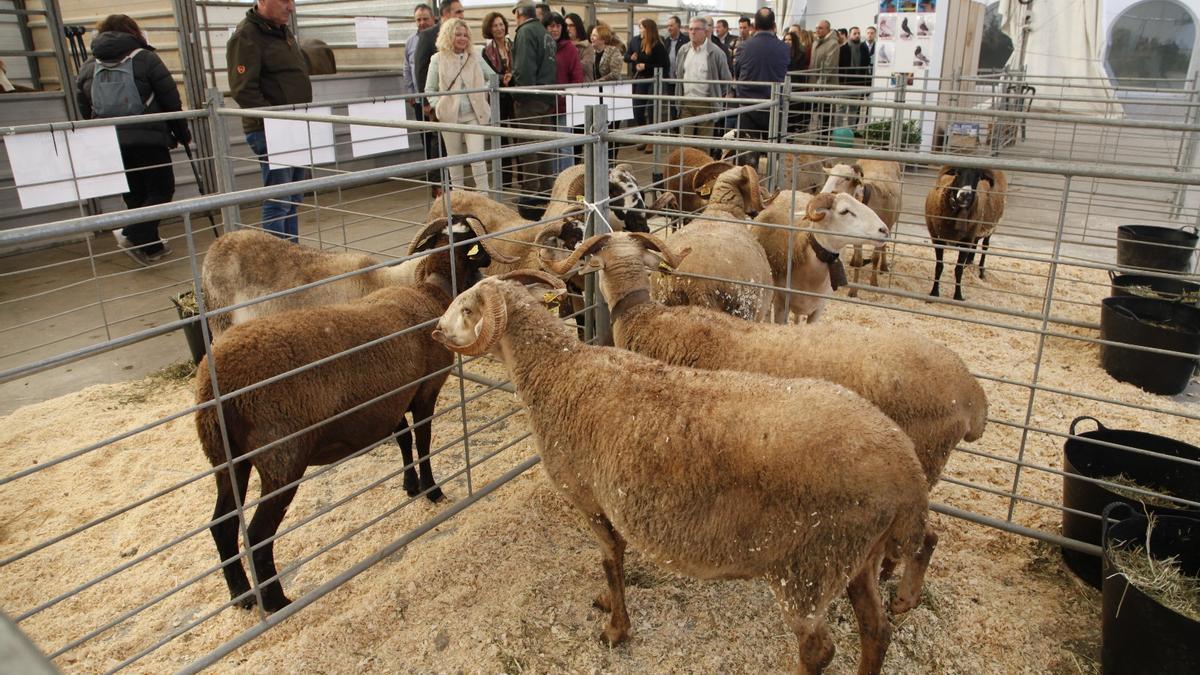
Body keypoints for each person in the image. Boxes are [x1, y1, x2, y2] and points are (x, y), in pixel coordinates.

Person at [76, 14, 188, 265]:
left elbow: (83, 103)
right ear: (132, 32)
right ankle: (132, 233)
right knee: (161, 190)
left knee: (135, 194)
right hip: (149, 138)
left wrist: (100, 131)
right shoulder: (145, 58)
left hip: (110, 140)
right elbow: (170, 99)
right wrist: (182, 132)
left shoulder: (89, 65)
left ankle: (151, 247)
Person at [227, 0, 312, 242]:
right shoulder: (247, 36)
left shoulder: (281, 31)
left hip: (294, 126)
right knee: (279, 200)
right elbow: (243, 89)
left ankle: (291, 253)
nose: (291, 7)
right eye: (284, 0)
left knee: (293, 196)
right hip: (273, 129)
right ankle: (275, 258)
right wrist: (275, 120)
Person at [425, 18, 493, 192]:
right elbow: (429, 89)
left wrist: (481, 91)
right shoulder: (437, 59)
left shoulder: (475, 55)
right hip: (449, 117)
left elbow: (492, 78)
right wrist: (439, 106)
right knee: (454, 159)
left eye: (465, 35)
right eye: (458, 35)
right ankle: (458, 196)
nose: (462, 38)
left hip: (474, 115)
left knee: (477, 157)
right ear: (448, 36)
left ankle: (484, 196)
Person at [414, 0, 465, 198]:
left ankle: (455, 186)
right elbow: (420, 69)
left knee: (452, 144)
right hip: (439, 102)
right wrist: (427, 103)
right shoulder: (428, 36)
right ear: (445, 14)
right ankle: (438, 186)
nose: (461, 15)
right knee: (439, 142)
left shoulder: (462, 34)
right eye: (458, 12)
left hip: (460, 104)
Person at [510, 0, 557, 200]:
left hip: (529, 98)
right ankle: (546, 188)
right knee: (544, 146)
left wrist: (517, 93)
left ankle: (530, 192)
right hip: (546, 95)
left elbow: (524, 69)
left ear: (518, 13)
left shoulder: (525, 32)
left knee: (528, 146)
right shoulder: (545, 33)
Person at [732, 8, 789, 166]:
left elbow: (737, 72)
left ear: (754, 26)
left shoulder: (744, 47)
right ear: (774, 25)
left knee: (747, 160)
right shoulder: (784, 48)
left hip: (748, 107)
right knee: (775, 158)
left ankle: (749, 180)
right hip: (774, 106)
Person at [675, 17, 731, 140]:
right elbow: (678, 72)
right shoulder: (683, 50)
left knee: (704, 143)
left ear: (705, 32)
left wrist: (717, 96)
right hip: (686, 103)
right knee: (684, 142)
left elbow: (726, 79)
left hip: (707, 104)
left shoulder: (716, 53)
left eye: (696, 29)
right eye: (690, 29)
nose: (692, 32)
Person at [544, 12, 582, 172]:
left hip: (564, 104)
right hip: (546, 104)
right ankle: (554, 179)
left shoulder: (570, 48)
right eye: (551, 26)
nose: (555, 29)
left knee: (565, 145)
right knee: (551, 146)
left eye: (558, 26)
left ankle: (567, 179)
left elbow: (577, 76)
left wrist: (568, 93)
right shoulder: (542, 47)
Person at [624, 18, 668, 152]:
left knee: (651, 109)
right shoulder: (636, 41)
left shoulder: (658, 45)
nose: (640, 30)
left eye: (642, 27)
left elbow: (664, 65)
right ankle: (644, 135)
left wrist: (646, 66)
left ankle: (652, 140)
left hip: (653, 80)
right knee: (637, 109)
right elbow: (627, 56)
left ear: (648, 29)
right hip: (641, 79)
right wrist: (632, 59)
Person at [810, 19, 840, 141]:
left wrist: (820, 83)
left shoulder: (833, 44)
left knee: (826, 112)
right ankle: (820, 135)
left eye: (820, 28)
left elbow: (829, 65)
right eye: (817, 28)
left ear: (828, 29)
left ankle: (824, 137)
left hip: (827, 85)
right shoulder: (816, 42)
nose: (817, 30)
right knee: (819, 111)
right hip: (816, 84)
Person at [404, 4, 434, 122]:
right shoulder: (410, 41)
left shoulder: (441, 38)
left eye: (425, 19)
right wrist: (410, 92)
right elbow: (407, 68)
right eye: (418, 19)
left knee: (442, 132)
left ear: (433, 18)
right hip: (419, 98)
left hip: (438, 98)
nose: (422, 23)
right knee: (423, 130)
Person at [839, 26, 872, 129]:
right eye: (855, 33)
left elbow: (866, 64)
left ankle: (851, 130)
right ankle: (837, 130)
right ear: (849, 35)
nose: (857, 35)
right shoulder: (843, 49)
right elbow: (839, 66)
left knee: (854, 109)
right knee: (841, 108)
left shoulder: (864, 49)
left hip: (858, 83)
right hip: (844, 84)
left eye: (858, 33)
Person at [782, 30, 810, 137]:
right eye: (785, 40)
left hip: (794, 87)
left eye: (790, 40)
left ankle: (790, 135)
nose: (787, 42)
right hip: (783, 86)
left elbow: (800, 73)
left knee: (792, 113)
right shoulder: (780, 53)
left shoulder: (800, 55)